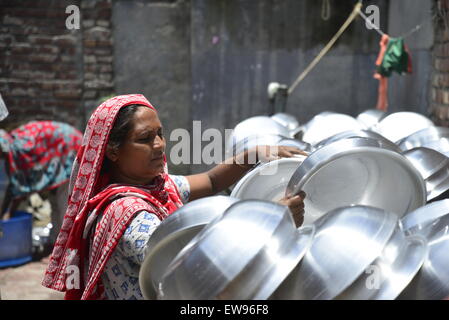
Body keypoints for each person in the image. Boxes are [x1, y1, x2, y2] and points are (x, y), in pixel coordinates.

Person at [42, 94, 307, 300]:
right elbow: (200, 267)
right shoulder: (128, 215)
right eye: (144, 139)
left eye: (160, 134)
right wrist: (271, 219)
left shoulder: (158, 187)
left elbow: (212, 180)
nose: (159, 144)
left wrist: (254, 154)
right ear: (112, 151)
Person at [0, 121, 83, 243]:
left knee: (65, 204)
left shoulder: (19, 150)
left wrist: (8, 214)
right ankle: (56, 246)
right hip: (61, 149)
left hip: (68, 149)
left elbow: (20, 188)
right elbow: (16, 185)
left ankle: (67, 250)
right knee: (54, 202)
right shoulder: (12, 145)